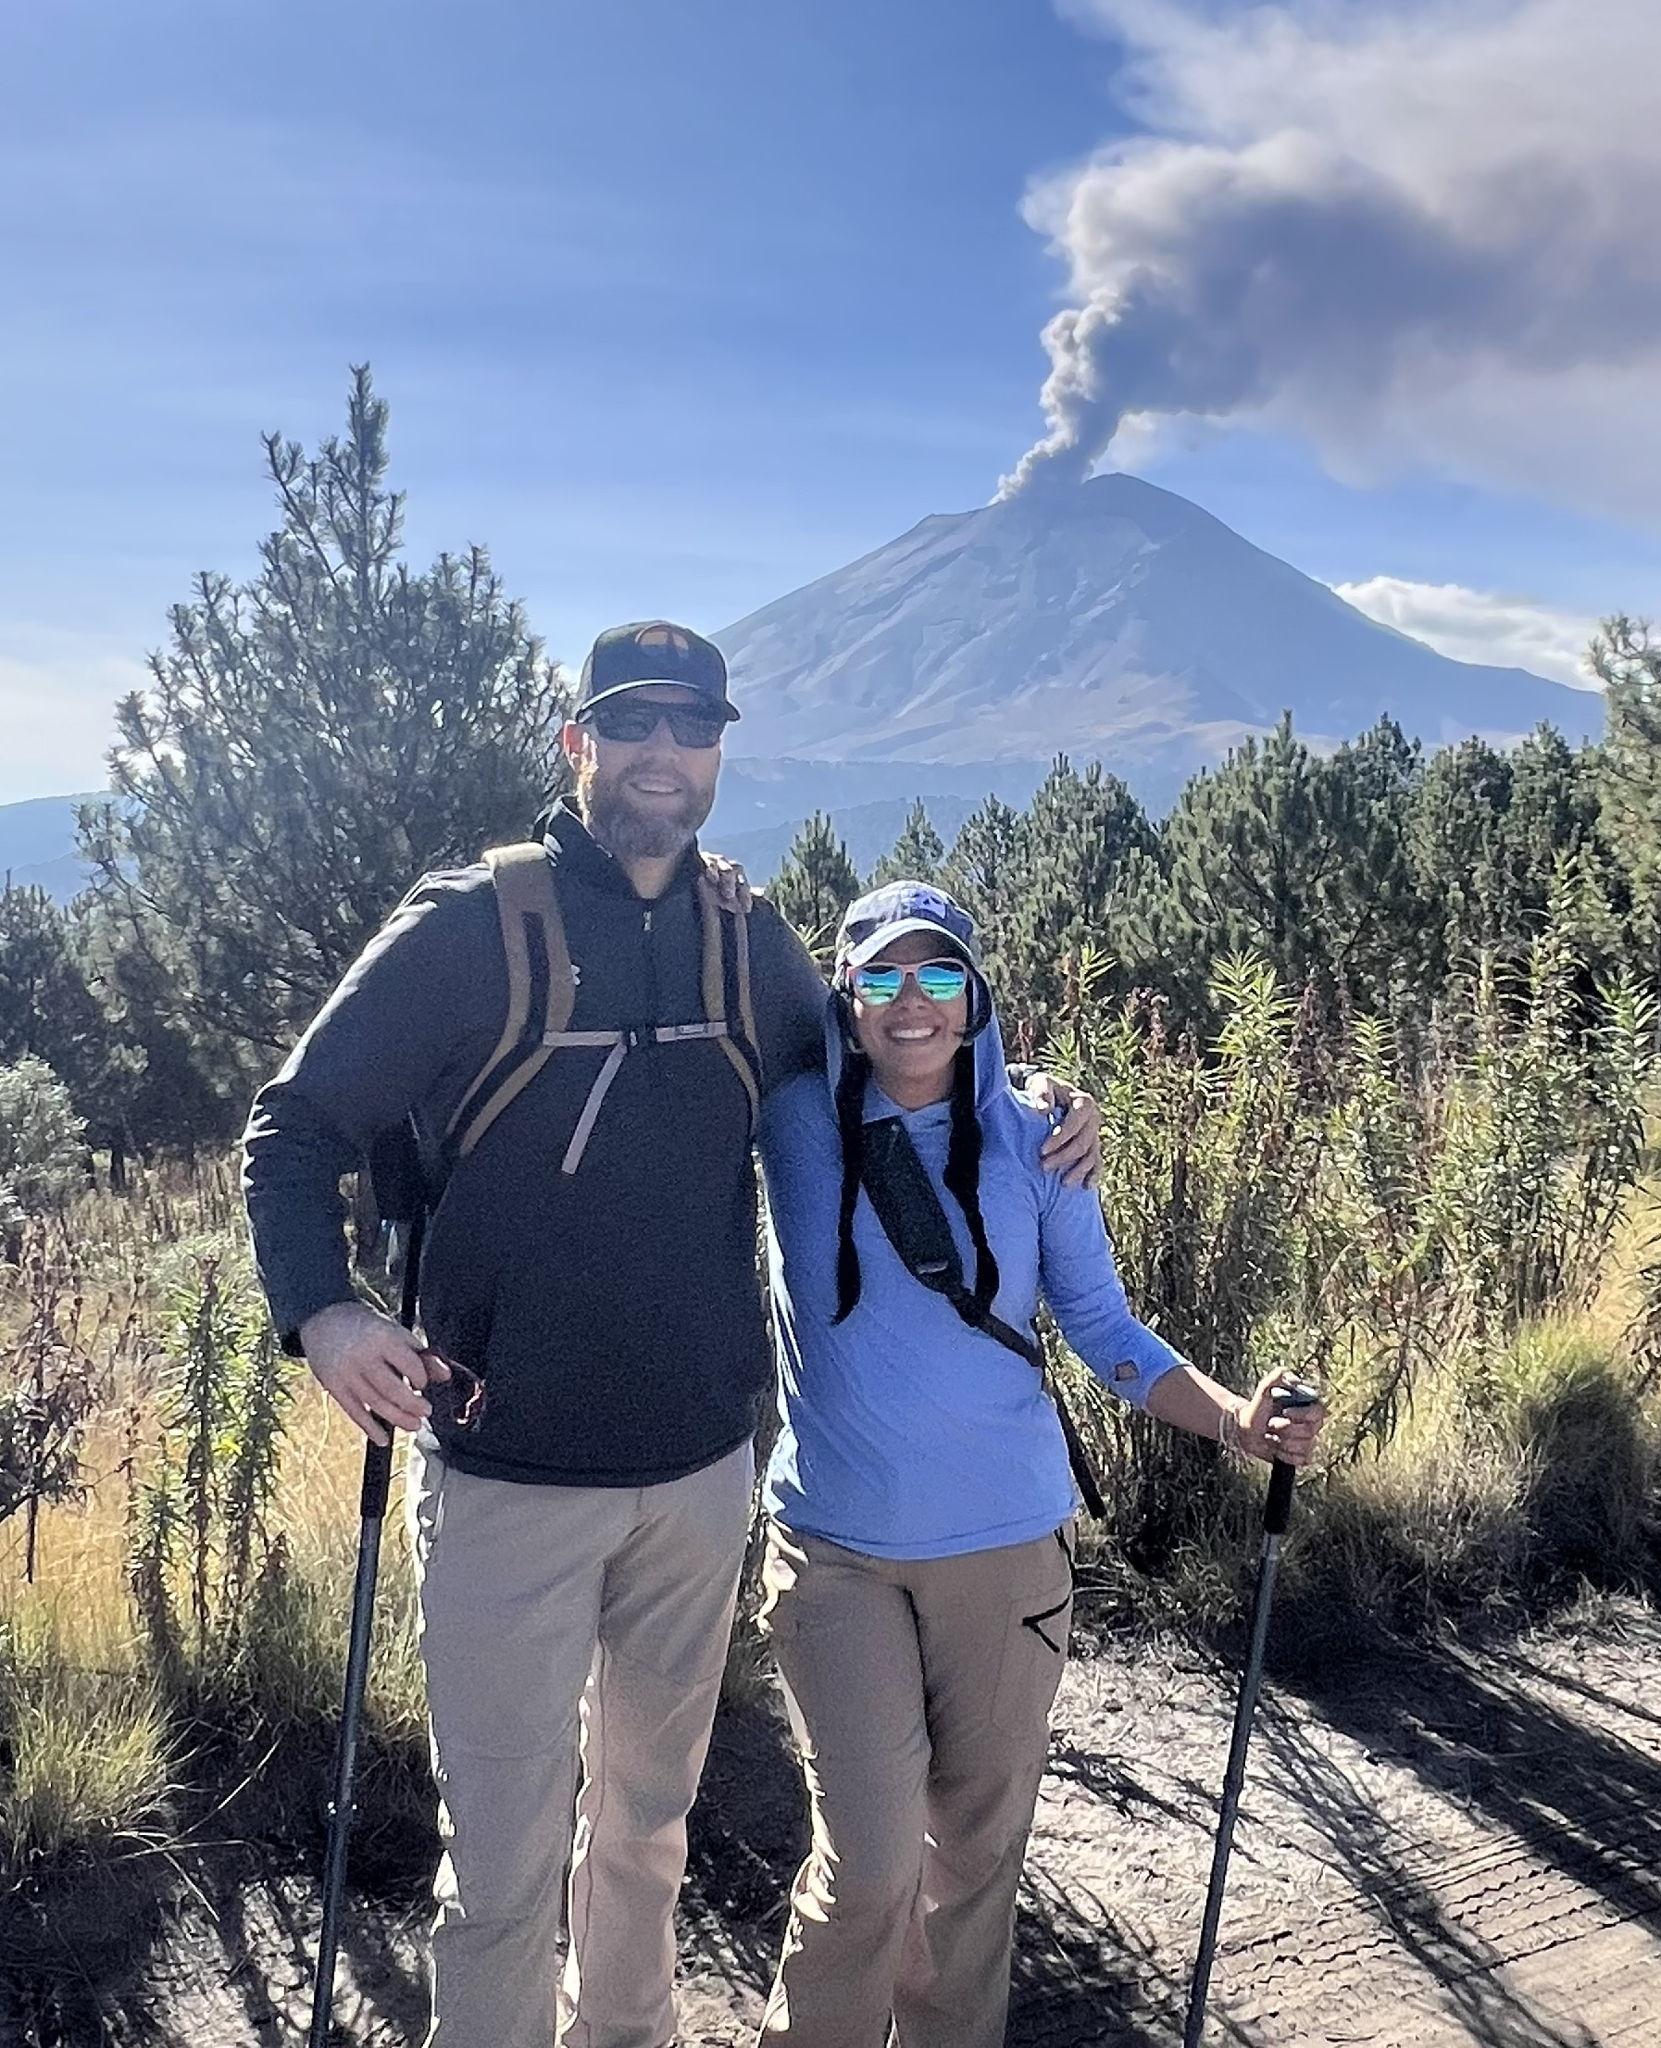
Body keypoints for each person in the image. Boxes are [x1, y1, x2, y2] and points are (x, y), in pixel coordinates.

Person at [240, 622, 1100, 2048]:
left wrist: (1035, 1099)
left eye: (690, 727)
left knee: (646, 1832)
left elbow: (895, 1053)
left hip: (699, 1479)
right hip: (507, 1466)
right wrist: (322, 1311)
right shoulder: (472, 925)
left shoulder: (744, 939)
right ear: (576, 743)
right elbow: (294, 1121)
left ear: (715, 753)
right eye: (630, 723)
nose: (661, 752)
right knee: (506, 1872)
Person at [751, 879, 1325, 2048]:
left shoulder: (1038, 1136)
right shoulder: (786, 1119)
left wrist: (1234, 1419)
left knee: (971, 1858)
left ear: (975, 995)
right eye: (881, 976)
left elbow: (1103, 1330)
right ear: (844, 997)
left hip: (1007, 1551)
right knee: (866, 1860)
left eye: (939, 975)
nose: (910, 1002)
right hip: (832, 1550)